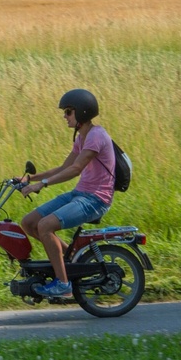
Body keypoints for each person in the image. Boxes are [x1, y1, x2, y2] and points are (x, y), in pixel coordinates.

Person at [20, 89, 115, 298]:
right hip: (80, 193)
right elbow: (64, 167)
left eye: (68, 112)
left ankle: (63, 285)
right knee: (28, 222)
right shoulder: (82, 138)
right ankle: (70, 257)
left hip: (96, 199)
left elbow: (75, 169)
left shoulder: (96, 136)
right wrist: (30, 179)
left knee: (45, 226)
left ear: (81, 112)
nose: (65, 116)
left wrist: (42, 185)